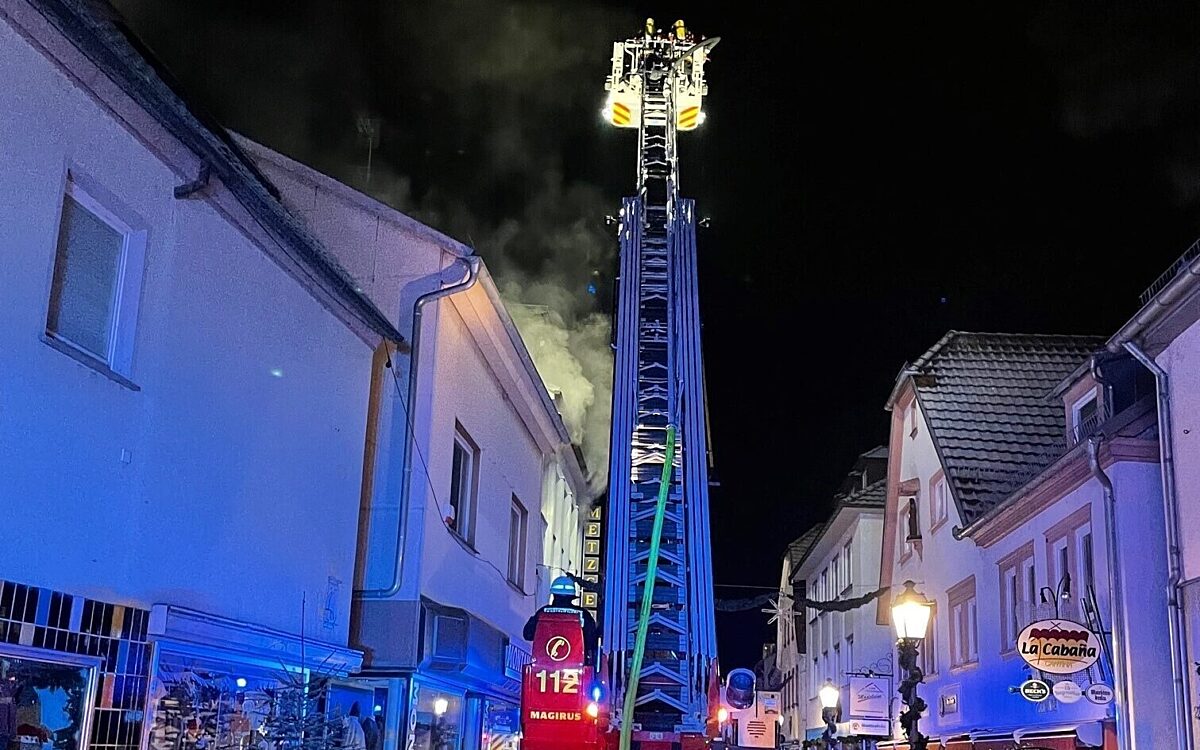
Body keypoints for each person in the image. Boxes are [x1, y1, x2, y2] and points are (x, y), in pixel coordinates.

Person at [523, 576, 599, 667]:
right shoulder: (583, 614)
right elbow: (592, 641)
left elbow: (527, 634)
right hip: (576, 669)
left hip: (543, 667)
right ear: (572, 596)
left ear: (553, 594)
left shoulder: (543, 612)